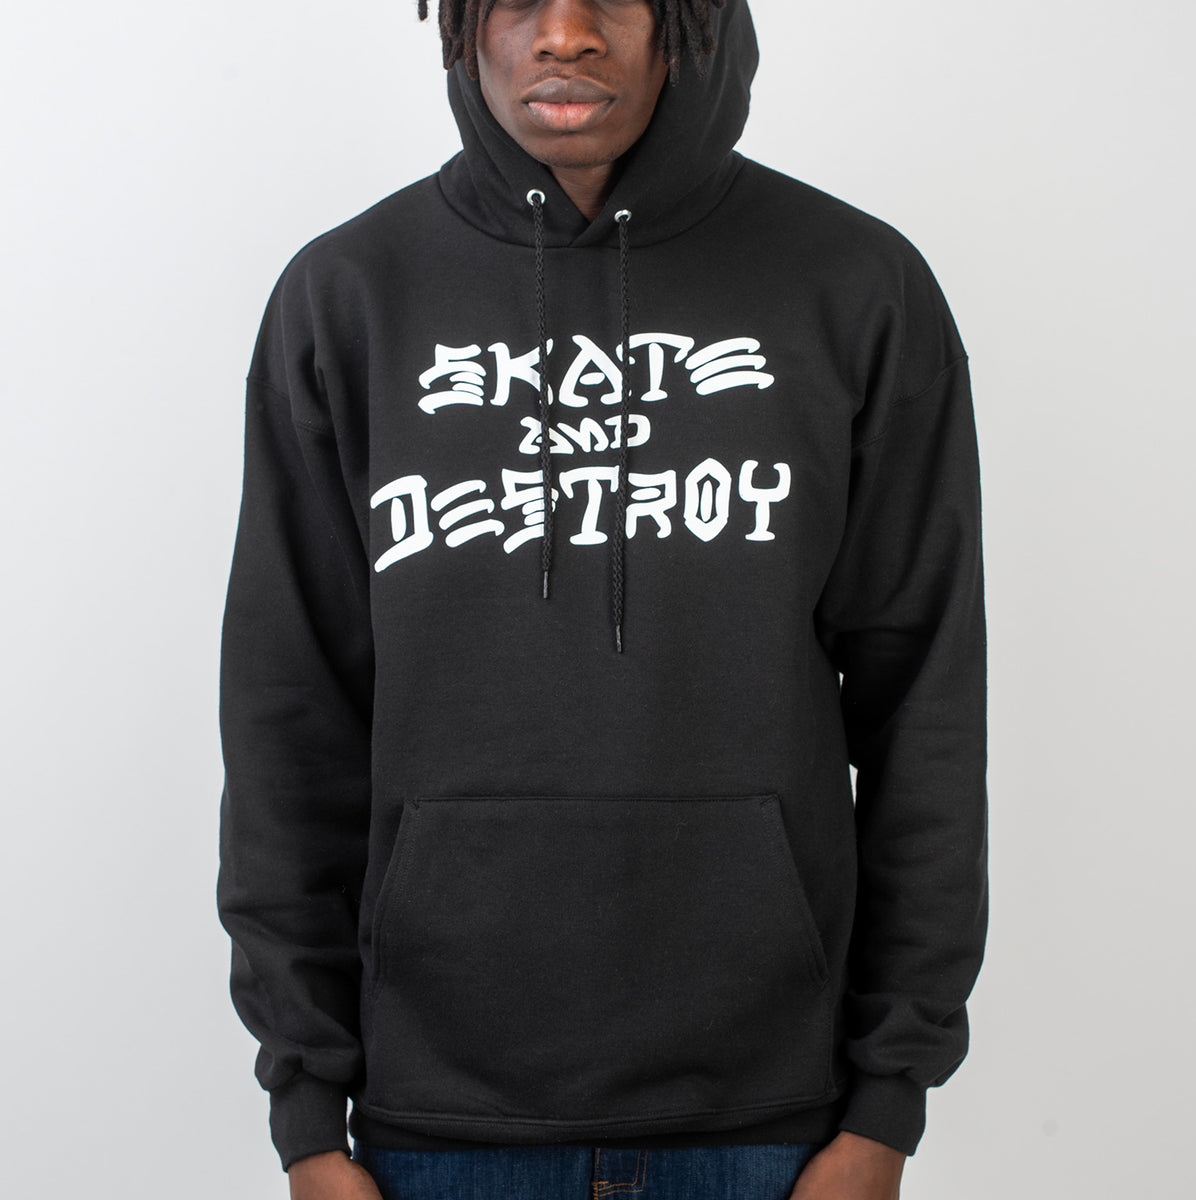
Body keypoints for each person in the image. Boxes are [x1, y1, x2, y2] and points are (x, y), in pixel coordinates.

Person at [217, 1, 988, 1198]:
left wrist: (889, 1102)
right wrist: (308, 1116)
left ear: (692, 20)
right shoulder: (350, 297)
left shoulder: (854, 286)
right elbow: (288, 716)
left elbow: (924, 708)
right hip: (435, 1123)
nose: (564, 33)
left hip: (774, 1121)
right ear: (460, 22)